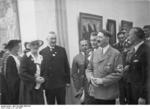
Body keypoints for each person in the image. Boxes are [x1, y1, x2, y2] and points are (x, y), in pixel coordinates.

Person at [86, 30, 123, 104]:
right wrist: (91, 78)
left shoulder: (116, 54)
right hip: (94, 92)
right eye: (97, 37)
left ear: (107, 39)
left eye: (100, 37)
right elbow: (89, 69)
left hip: (107, 94)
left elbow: (119, 73)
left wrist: (102, 80)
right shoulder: (95, 53)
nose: (97, 39)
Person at [40, 31, 70, 104]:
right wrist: (43, 84)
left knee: (62, 103)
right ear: (47, 39)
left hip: (61, 84)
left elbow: (66, 65)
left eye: (55, 38)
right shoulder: (42, 52)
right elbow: (42, 70)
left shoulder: (62, 50)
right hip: (48, 85)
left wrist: (68, 81)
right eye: (51, 39)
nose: (53, 40)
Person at [125, 27, 149, 104]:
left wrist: (143, 96)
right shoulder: (135, 50)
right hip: (132, 92)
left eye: (129, 35)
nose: (128, 38)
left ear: (136, 36)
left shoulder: (146, 51)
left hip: (139, 94)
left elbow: (147, 76)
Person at [19, 40, 45, 104]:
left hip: (39, 87)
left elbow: (45, 70)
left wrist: (44, 78)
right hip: (28, 88)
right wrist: (35, 79)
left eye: (37, 44)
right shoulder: (25, 57)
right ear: (30, 46)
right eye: (33, 45)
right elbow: (22, 73)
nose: (35, 46)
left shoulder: (41, 57)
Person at [3, 40, 21, 104]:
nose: (19, 47)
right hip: (15, 87)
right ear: (14, 47)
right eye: (18, 45)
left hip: (19, 84)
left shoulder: (17, 57)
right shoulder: (10, 59)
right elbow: (11, 77)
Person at [72, 39, 89, 104]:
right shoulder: (76, 58)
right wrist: (78, 87)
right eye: (83, 45)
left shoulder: (92, 55)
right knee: (84, 102)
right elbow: (74, 74)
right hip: (82, 84)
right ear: (80, 47)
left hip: (92, 83)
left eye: (86, 45)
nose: (84, 47)